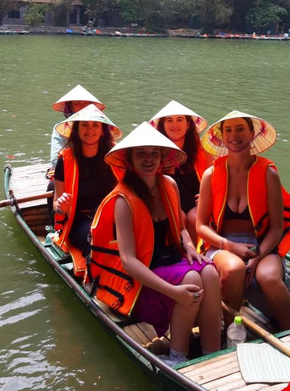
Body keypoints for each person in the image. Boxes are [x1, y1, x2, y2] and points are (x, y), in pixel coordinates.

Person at [90, 123, 221, 364]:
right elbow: (129, 262)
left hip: (171, 262)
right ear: (129, 159)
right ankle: (177, 357)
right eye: (141, 153)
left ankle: (211, 353)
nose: (148, 159)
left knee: (211, 272)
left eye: (154, 153)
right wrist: (174, 292)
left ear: (162, 158)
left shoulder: (169, 185)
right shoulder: (123, 199)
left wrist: (190, 246)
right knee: (192, 280)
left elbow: (180, 228)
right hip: (140, 282)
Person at [197, 111, 290, 332]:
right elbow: (201, 227)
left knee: (269, 277)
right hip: (221, 244)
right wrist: (230, 246)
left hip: (261, 245)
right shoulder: (210, 174)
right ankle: (229, 333)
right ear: (222, 137)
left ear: (252, 134)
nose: (234, 135)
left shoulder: (268, 173)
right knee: (234, 269)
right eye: (228, 130)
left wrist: (258, 256)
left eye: (240, 129)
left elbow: (275, 228)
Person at [52, 104, 122, 278]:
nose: (90, 130)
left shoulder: (114, 155)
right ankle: (101, 280)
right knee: (97, 239)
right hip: (80, 220)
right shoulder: (65, 159)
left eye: (95, 125)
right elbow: (57, 204)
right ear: (76, 130)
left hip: (112, 215)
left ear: (102, 131)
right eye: (84, 125)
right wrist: (61, 206)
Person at [150, 101, 213, 245]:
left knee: (194, 216)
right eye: (169, 120)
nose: (174, 125)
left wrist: (208, 195)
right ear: (163, 126)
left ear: (188, 124)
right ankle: (180, 255)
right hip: (165, 201)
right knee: (181, 217)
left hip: (196, 202)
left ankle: (198, 256)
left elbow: (217, 174)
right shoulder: (154, 150)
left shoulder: (200, 149)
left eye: (180, 119)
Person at [49, 85, 105, 168]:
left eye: (86, 103)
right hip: (72, 169)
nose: (82, 107)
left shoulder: (101, 125)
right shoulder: (62, 128)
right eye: (77, 103)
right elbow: (55, 160)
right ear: (70, 107)